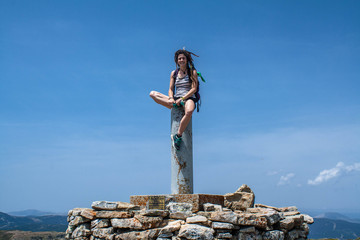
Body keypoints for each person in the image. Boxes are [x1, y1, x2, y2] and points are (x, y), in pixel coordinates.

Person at [149, 49, 199, 150]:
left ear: (187, 60)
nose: (181, 60)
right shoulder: (174, 73)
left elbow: (194, 89)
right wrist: (171, 98)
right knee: (153, 94)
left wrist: (183, 98)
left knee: (189, 111)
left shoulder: (192, 72)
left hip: (188, 97)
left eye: (183, 58)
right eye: (179, 58)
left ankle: (178, 135)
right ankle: (172, 105)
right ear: (177, 61)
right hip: (176, 98)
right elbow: (171, 89)